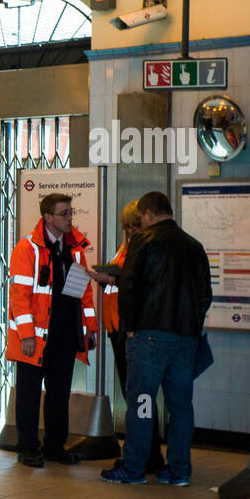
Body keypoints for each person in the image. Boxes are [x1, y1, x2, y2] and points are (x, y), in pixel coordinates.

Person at [101, 190, 212, 486]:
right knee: (180, 406)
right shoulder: (194, 246)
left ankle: (134, 468)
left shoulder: (144, 241)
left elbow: (130, 288)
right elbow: (205, 295)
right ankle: (179, 470)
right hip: (185, 339)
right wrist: (192, 325)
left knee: (142, 402)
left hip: (149, 337)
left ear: (148, 214)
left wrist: (130, 327)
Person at [7, 192, 99, 468]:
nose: (70, 218)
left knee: (59, 394)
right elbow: (19, 297)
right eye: (64, 213)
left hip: (66, 334)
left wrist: (89, 329)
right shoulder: (28, 249)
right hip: (35, 338)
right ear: (48, 217)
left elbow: (84, 293)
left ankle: (55, 446)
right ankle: (27, 447)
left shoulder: (75, 249)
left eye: (71, 213)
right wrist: (26, 335)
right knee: (29, 395)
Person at [98, 202, 165, 474]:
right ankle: (145, 453)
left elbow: (140, 285)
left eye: (133, 225)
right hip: (117, 328)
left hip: (133, 331)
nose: (129, 230)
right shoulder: (126, 247)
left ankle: (147, 455)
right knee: (133, 394)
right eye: (126, 226)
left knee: (141, 396)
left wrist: (113, 280)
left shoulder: (146, 248)